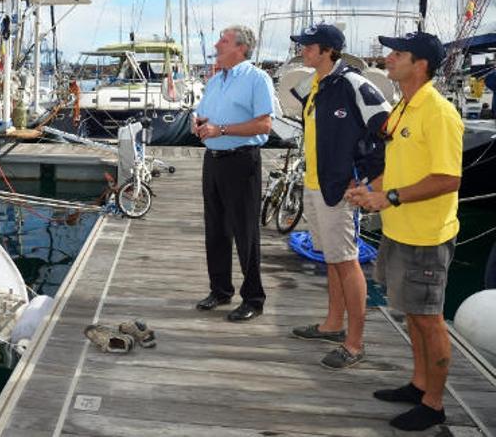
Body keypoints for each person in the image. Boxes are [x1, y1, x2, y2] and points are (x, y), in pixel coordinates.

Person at [346, 31, 462, 431]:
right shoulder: (404, 108)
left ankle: (434, 404)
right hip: (399, 230)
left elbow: (448, 178)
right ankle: (418, 383)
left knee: (430, 319)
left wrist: (389, 197)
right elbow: (397, 169)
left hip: (427, 235)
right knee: (413, 314)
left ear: (421, 64)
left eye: (398, 53)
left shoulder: (439, 112)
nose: (388, 57)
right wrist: (369, 191)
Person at [286, 24, 391, 370]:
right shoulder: (316, 84)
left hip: (341, 187)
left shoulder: (352, 83)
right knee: (331, 258)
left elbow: (384, 127)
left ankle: (355, 344)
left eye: (309, 46)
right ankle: (333, 324)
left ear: (328, 50)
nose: (303, 51)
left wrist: (368, 180)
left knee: (347, 262)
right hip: (316, 184)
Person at [192, 25, 275, 322]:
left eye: (223, 41)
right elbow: (204, 115)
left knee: (245, 232)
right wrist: (199, 123)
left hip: (241, 162)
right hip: (213, 160)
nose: (216, 44)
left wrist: (221, 129)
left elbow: (265, 125)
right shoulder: (216, 80)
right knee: (215, 229)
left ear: (240, 48)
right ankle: (220, 290)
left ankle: (253, 298)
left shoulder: (257, 79)